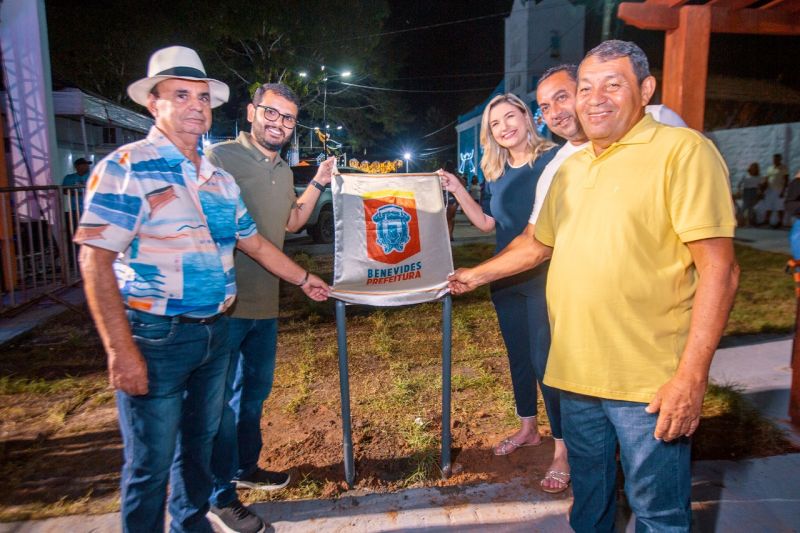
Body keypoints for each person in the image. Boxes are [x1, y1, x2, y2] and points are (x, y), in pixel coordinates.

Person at [448, 40, 739, 531]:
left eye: (613, 84)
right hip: (575, 376)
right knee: (589, 507)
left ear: (645, 90)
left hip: (647, 384)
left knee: (658, 515)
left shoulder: (683, 151)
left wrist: (690, 377)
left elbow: (721, 271)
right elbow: (536, 244)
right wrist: (473, 275)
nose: (595, 98)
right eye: (585, 87)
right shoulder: (570, 169)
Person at [74, 46, 329, 533]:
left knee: (199, 444)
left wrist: (303, 279)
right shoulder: (127, 166)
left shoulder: (216, 180)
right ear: (154, 103)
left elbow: (252, 242)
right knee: (149, 465)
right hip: (156, 336)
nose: (195, 105)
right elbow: (95, 258)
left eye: (202, 97)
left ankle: (193, 523)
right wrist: (118, 349)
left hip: (214, 331)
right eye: (180, 95)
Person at [205, 83, 336, 531]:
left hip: (265, 304)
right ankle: (217, 495)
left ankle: (246, 467)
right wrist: (302, 279)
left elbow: (293, 222)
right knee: (216, 408)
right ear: (251, 112)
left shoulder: (282, 169)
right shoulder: (220, 159)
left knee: (253, 395)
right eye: (271, 114)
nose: (279, 124)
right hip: (223, 306)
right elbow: (246, 239)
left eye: (288, 119)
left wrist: (317, 180)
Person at [438, 93, 570, 493]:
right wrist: (459, 189)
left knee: (545, 361)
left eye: (511, 117)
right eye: (495, 123)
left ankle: (563, 450)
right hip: (504, 278)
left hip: (543, 273)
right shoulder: (494, 169)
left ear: (528, 118)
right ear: (490, 132)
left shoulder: (553, 160)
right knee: (518, 358)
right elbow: (487, 223)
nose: (505, 126)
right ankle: (528, 428)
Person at [764, 153, 789, 228]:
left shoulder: (784, 168)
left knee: (779, 206)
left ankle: (780, 222)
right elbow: (766, 179)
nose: (775, 160)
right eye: (774, 159)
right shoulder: (770, 168)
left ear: (780, 159)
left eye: (777, 159)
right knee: (768, 206)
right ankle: (767, 221)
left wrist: (783, 191)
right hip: (770, 190)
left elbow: (786, 180)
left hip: (779, 189)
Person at [739, 162, 762, 227]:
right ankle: (740, 221)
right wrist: (740, 191)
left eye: (755, 168)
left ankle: (749, 222)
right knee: (744, 206)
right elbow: (740, 184)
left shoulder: (758, 177)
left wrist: (759, 193)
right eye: (752, 167)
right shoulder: (745, 175)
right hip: (747, 191)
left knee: (751, 208)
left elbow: (760, 186)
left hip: (754, 191)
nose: (753, 169)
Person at [442, 160, 460, 240]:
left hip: (444, 200)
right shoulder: (455, 177)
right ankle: (450, 235)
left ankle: (447, 235)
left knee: (445, 219)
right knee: (451, 219)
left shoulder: (442, 176)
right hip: (453, 201)